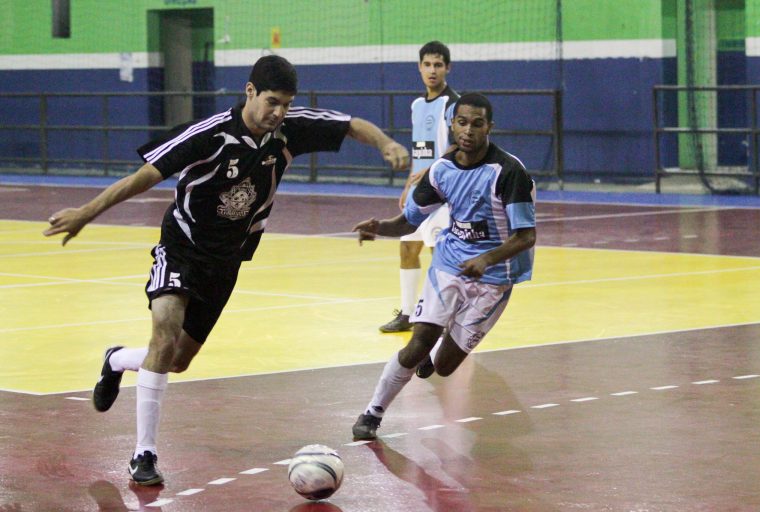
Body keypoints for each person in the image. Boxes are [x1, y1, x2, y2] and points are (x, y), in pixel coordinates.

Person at [43, 55, 409, 485]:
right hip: (182, 247)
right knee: (164, 331)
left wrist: (385, 143)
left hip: (227, 261)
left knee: (176, 361)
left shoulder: (289, 129)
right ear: (250, 91)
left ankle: (117, 359)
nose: (279, 112)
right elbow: (144, 177)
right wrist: (87, 212)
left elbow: (350, 124)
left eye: (287, 104)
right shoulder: (210, 134)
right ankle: (144, 453)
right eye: (272, 101)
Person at [351, 93, 536, 439]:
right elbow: (409, 221)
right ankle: (372, 414)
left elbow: (526, 236)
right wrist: (382, 228)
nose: (468, 130)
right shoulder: (441, 171)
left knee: (444, 366)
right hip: (449, 264)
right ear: (452, 124)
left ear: (490, 128)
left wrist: (486, 258)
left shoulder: (509, 172)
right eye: (462, 122)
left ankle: (434, 350)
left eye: (477, 124)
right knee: (418, 342)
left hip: (495, 277)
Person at [379, 41, 459, 333]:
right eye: (427, 64)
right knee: (408, 249)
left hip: (443, 192)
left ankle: (447, 317)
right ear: (419, 67)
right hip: (418, 191)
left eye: (438, 65)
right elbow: (420, 149)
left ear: (447, 68)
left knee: (441, 255)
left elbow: (459, 145)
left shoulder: (453, 104)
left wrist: (432, 169)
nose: (432, 70)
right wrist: (407, 185)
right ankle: (408, 314)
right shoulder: (416, 105)